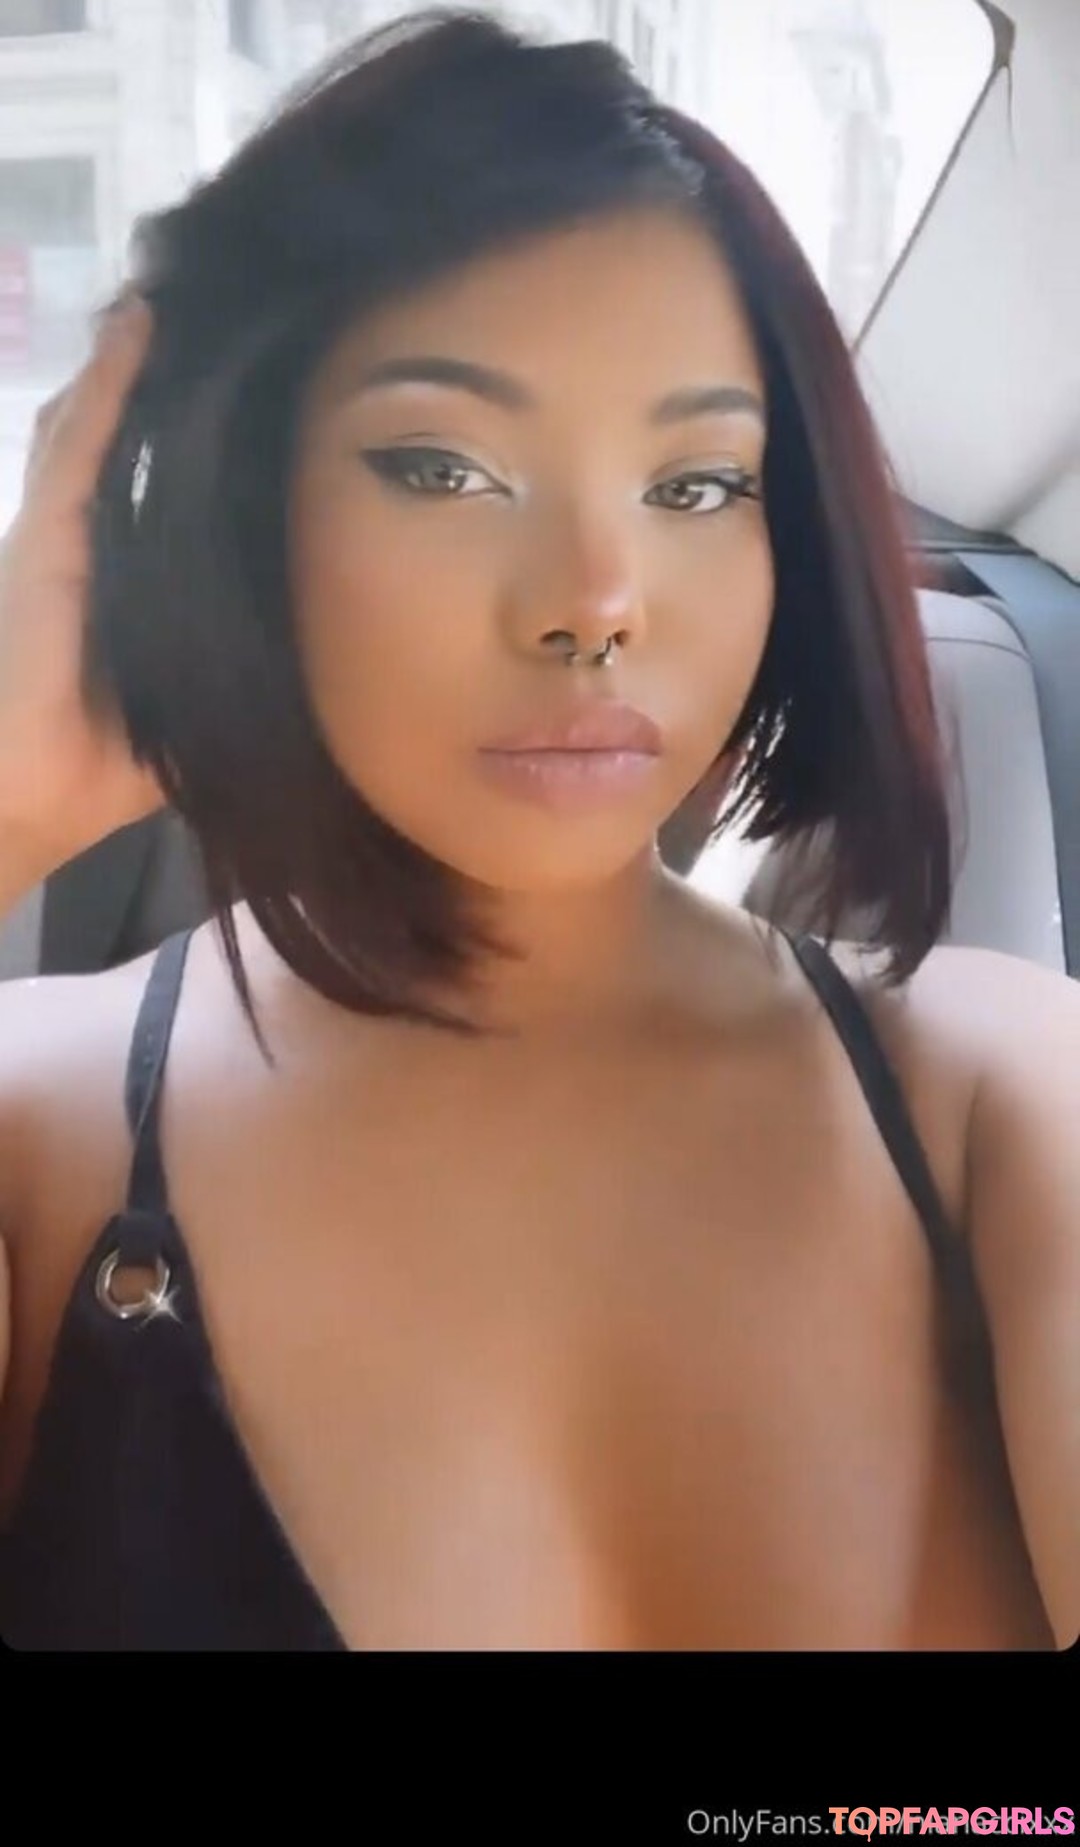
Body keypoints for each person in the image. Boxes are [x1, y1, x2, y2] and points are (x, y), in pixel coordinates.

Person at [0, 7, 1075, 1653]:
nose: (596, 603)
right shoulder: (35, 1128)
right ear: (234, 508)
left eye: (697, 485)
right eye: (443, 468)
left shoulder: (1013, 1091)